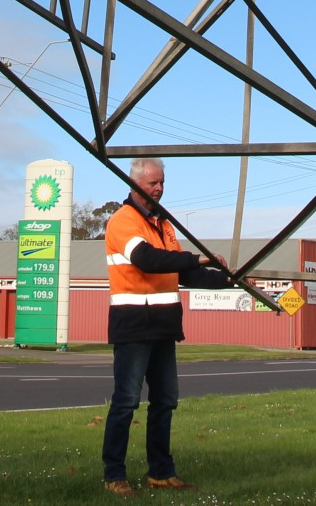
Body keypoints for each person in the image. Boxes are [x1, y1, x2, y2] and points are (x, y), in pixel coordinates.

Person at [101, 157, 228, 495]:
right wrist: (196, 257)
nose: (158, 189)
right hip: (133, 326)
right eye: (152, 184)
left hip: (163, 326)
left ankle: (160, 472)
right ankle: (114, 475)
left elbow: (183, 272)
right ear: (134, 184)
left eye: (161, 184)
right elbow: (147, 259)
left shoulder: (164, 223)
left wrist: (224, 280)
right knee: (126, 402)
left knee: (165, 401)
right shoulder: (121, 221)